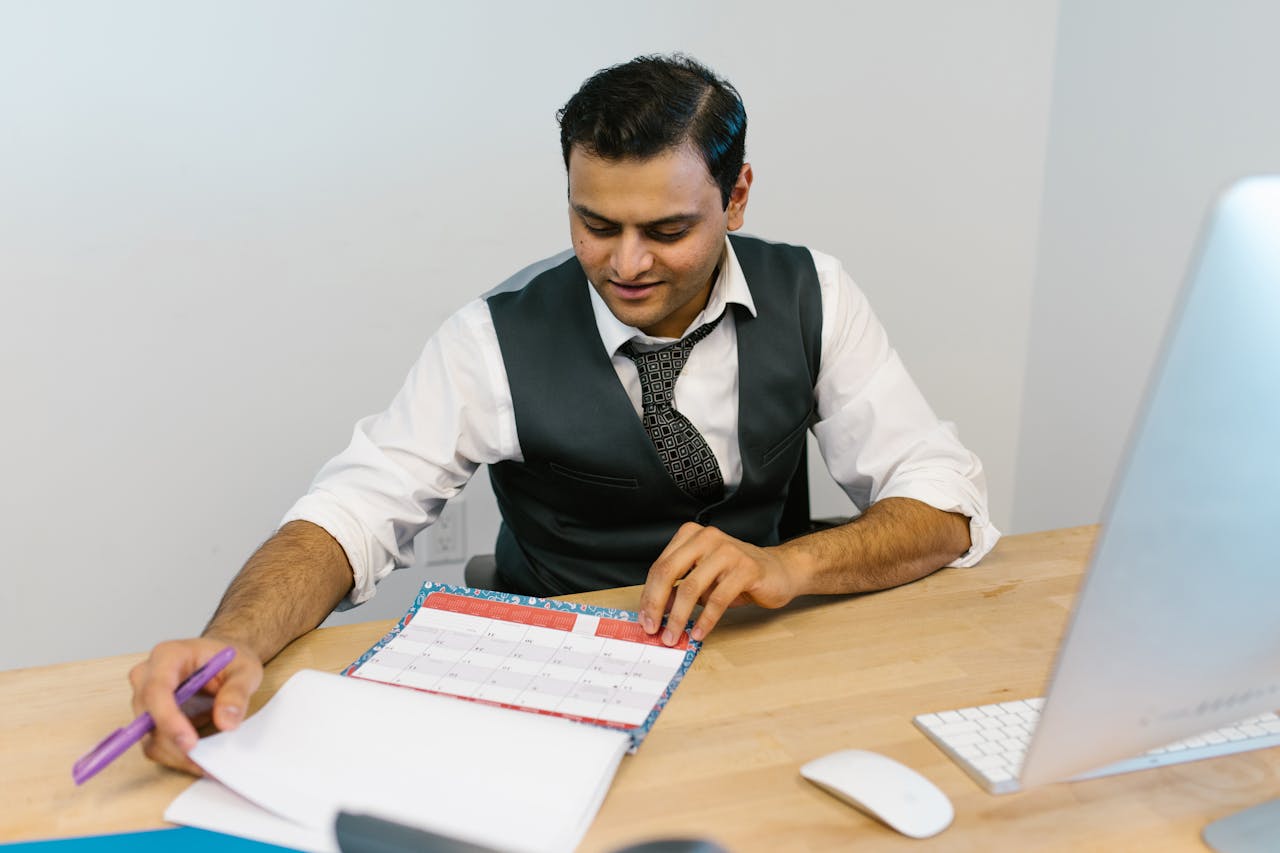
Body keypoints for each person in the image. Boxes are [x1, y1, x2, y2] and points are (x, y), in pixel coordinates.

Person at [131, 54, 999, 774]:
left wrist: (793, 566)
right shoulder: (489, 338)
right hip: (555, 693)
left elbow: (945, 503)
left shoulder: (816, 293)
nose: (626, 264)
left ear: (735, 198)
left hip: (761, 669)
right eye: (595, 223)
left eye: (666, 230)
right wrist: (229, 642)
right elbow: (348, 515)